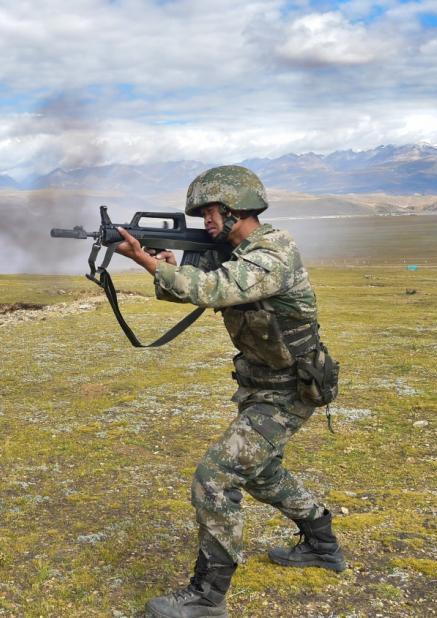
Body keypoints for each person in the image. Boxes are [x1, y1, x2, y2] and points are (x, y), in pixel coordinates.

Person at [114, 166, 344, 618]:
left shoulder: (274, 252)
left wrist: (146, 261)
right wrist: (167, 265)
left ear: (235, 207)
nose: (205, 221)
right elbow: (189, 292)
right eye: (200, 214)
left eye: (209, 211)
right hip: (262, 386)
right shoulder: (229, 251)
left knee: (215, 477)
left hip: (292, 390)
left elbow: (216, 290)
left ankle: (207, 596)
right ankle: (323, 544)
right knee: (260, 473)